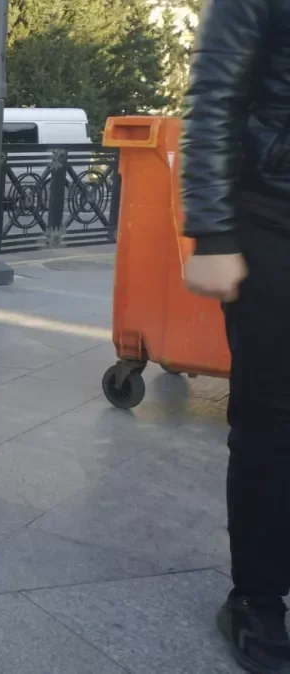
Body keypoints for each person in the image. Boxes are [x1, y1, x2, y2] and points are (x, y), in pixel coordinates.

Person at [180, 1, 290, 671]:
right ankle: (257, 599)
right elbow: (216, 97)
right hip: (274, 216)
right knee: (272, 420)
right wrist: (215, 232)